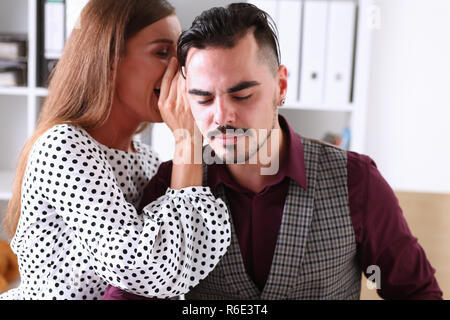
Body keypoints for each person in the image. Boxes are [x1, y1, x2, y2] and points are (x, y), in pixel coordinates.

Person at [104, 3, 442, 300]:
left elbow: (416, 292)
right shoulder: (171, 183)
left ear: (280, 86)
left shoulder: (356, 181)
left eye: (241, 95)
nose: (221, 117)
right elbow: (132, 292)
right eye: (203, 98)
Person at [0, 0, 231, 300]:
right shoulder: (63, 146)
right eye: (162, 53)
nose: (181, 72)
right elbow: (144, 270)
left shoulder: (148, 161)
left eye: (180, 56)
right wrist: (187, 142)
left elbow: (184, 265)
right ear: (109, 59)